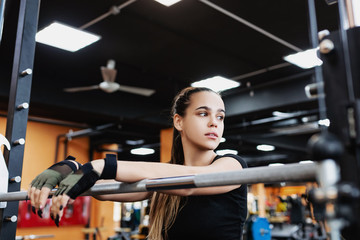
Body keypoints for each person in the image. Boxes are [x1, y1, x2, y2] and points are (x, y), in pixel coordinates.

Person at [28, 87, 248, 240]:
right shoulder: (163, 178)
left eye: (220, 117)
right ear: (179, 121)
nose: (214, 123)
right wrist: (74, 169)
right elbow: (103, 192)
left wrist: (103, 166)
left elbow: (192, 183)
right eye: (203, 113)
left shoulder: (233, 165)